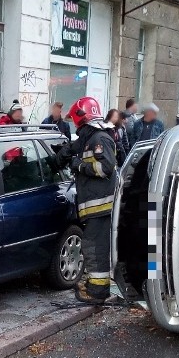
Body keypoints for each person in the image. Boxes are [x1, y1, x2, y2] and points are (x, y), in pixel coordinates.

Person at [54, 97, 117, 304]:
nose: (74, 124)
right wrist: (62, 153)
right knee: (92, 246)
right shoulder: (90, 137)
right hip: (94, 205)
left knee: (95, 248)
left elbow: (105, 168)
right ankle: (94, 286)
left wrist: (78, 165)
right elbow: (76, 146)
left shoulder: (100, 139)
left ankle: (97, 293)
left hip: (100, 206)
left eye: (75, 120)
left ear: (82, 117)